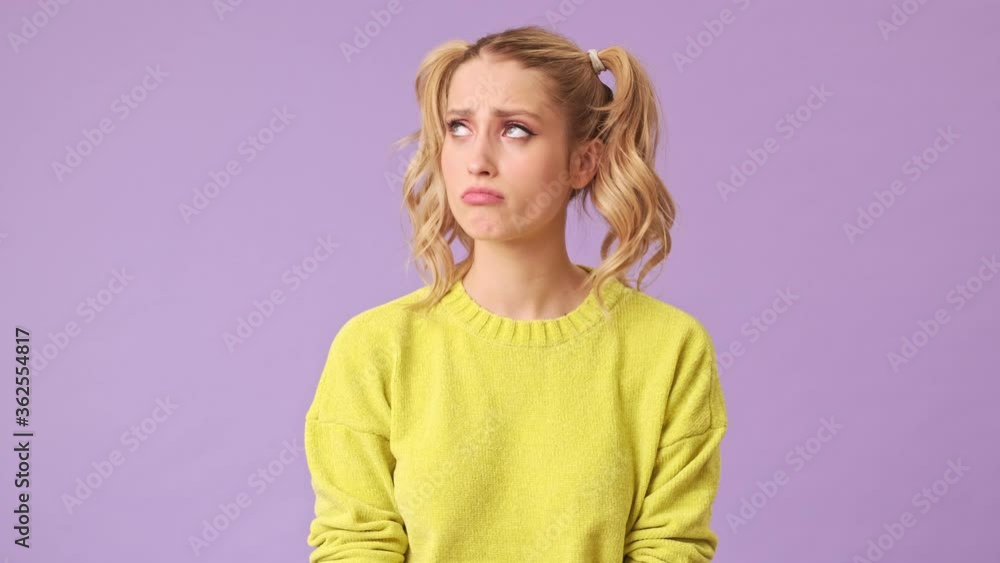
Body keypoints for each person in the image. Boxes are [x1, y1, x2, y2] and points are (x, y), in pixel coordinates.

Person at [304, 25, 728, 562]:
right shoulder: (374, 347)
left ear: (583, 162)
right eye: (458, 127)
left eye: (516, 131)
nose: (477, 157)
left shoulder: (671, 348)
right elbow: (355, 545)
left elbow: (670, 547)